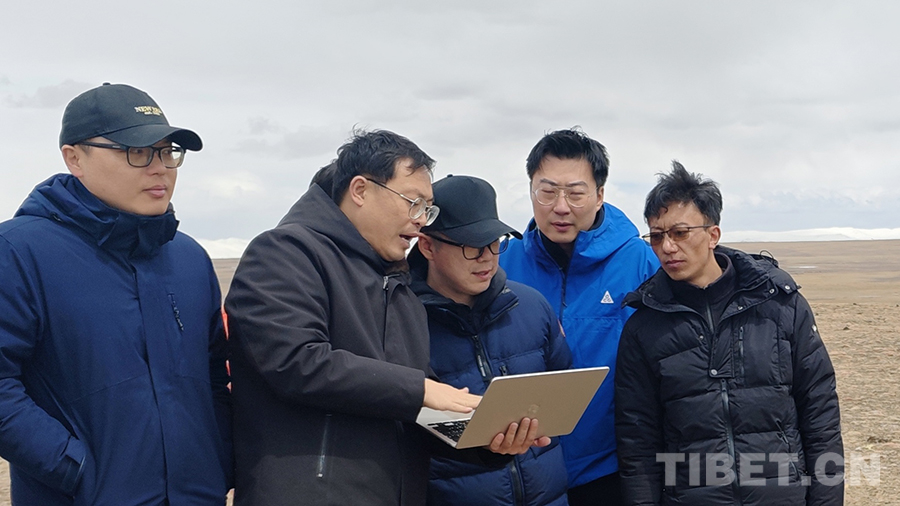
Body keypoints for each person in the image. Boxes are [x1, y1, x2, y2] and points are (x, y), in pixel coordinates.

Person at [225, 130, 550, 506]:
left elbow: (410, 411)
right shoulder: (285, 252)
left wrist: (487, 441)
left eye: (427, 209)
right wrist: (422, 389)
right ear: (360, 190)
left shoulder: (400, 289)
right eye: (413, 203)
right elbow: (297, 361)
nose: (420, 220)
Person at [0, 83, 232, 505]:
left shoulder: (190, 259)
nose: (160, 169)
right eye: (136, 151)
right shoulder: (18, 251)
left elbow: (214, 377)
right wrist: (75, 468)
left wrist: (217, 459)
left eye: (167, 152)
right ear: (74, 158)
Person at [615, 162, 844, 505]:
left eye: (680, 232)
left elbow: (820, 412)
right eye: (657, 236)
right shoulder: (643, 327)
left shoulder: (780, 306)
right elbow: (637, 440)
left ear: (713, 235)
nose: (668, 247)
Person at [500, 128, 659, 505]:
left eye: (575, 193)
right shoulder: (503, 264)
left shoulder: (639, 261)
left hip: (611, 469)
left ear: (600, 194)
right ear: (531, 191)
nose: (560, 207)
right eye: (547, 191)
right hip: (523, 468)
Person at [409, 175, 573, 505]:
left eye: (495, 242)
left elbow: (564, 387)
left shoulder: (531, 305)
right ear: (427, 246)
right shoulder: (402, 321)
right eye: (471, 247)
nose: (487, 257)